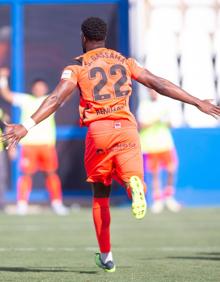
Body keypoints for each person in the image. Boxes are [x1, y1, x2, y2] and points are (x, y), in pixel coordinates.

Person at [1, 17, 220, 272]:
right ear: (104, 37)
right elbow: (159, 83)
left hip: (99, 132)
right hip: (127, 129)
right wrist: (197, 102)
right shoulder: (125, 62)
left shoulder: (77, 67)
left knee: (100, 195)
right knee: (131, 176)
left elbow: (57, 98)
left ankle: (106, 255)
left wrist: (26, 125)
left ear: (83, 38)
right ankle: (132, 183)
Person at [0, 69, 68, 215]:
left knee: (51, 174)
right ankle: (22, 204)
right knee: (26, 175)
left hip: (47, 145)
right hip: (29, 145)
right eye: (36, 87)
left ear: (45, 88)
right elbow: (6, 94)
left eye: (41, 87)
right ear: (32, 88)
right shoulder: (25, 99)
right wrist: (3, 78)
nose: (39, 89)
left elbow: (66, 94)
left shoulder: (51, 100)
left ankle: (57, 203)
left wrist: (69, 78)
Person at [138, 89, 181, 213]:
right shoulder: (144, 105)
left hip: (165, 144)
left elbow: (171, 124)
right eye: (151, 91)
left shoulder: (165, 105)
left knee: (171, 169)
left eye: (155, 91)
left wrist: (166, 121)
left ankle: (169, 196)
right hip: (150, 145)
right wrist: (155, 120)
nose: (153, 93)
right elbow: (141, 125)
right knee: (155, 173)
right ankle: (158, 199)